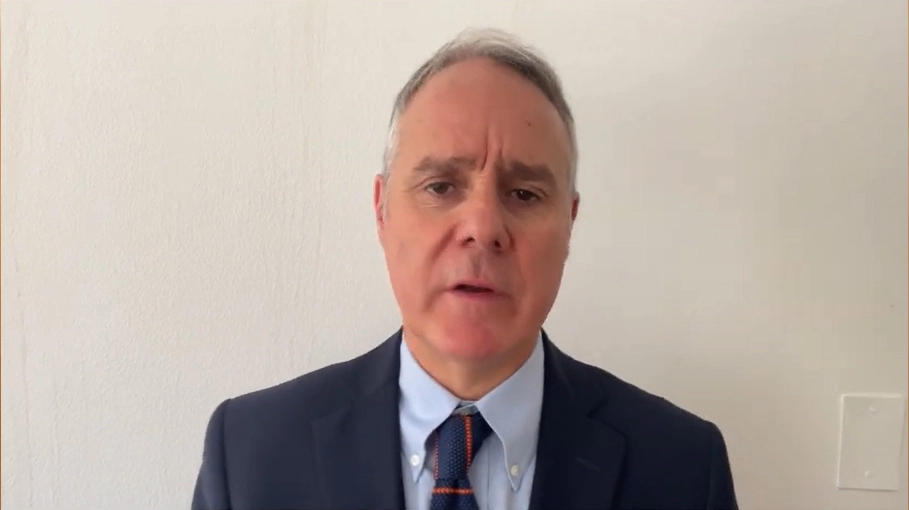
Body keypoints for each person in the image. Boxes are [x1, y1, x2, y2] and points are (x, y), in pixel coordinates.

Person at [191, 28, 739, 510]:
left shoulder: (684, 469)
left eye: (524, 194)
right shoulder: (250, 455)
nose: (482, 226)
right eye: (441, 186)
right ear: (381, 211)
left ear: (569, 224)